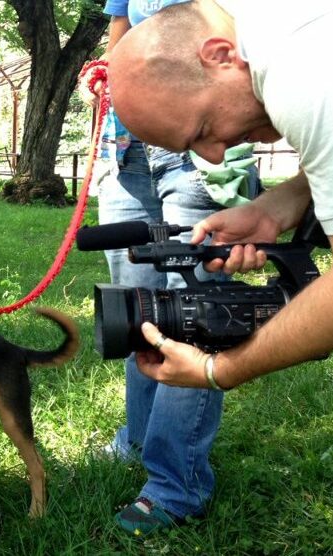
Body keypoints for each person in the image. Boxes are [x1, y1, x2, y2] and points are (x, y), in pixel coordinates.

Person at [80, 0, 259, 535]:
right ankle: (138, 437)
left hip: (200, 147)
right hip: (128, 151)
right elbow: (121, 35)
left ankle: (175, 485)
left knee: (196, 313)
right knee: (141, 311)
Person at [108, 5, 333, 392]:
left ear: (219, 55)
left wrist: (220, 369)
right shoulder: (276, 25)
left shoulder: (298, 75)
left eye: (202, 130)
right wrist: (276, 207)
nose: (214, 157)